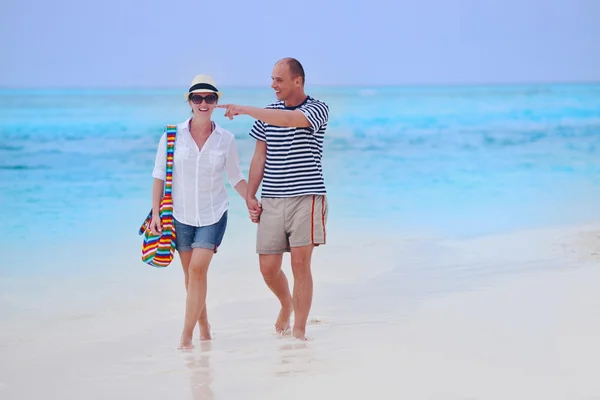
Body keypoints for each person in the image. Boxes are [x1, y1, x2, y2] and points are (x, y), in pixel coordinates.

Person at [217, 58, 329, 341]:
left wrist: (244, 109)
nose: (273, 85)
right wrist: (250, 195)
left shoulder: (317, 109)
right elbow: (260, 156)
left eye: (278, 80)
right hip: (273, 198)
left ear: (297, 81)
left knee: (301, 264)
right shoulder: (268, 114)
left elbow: (289, 120)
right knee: (268, 268)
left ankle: (300, 332)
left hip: (307, 196)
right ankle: (286, 304)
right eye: (272, 79)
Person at [149, 74, 257, 349]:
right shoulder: (172, 135)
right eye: (198, 98)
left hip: (213, 214)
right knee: (190, 277)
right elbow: (159, 176)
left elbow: (235, 177)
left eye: (209, 98)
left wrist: (251, 200)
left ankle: (185, 337)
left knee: (198, 270)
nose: (203, 102)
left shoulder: (225, 139)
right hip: (180, 215)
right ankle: (205, 328)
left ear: (216, 102)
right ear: (190, 102)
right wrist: (156, 215)